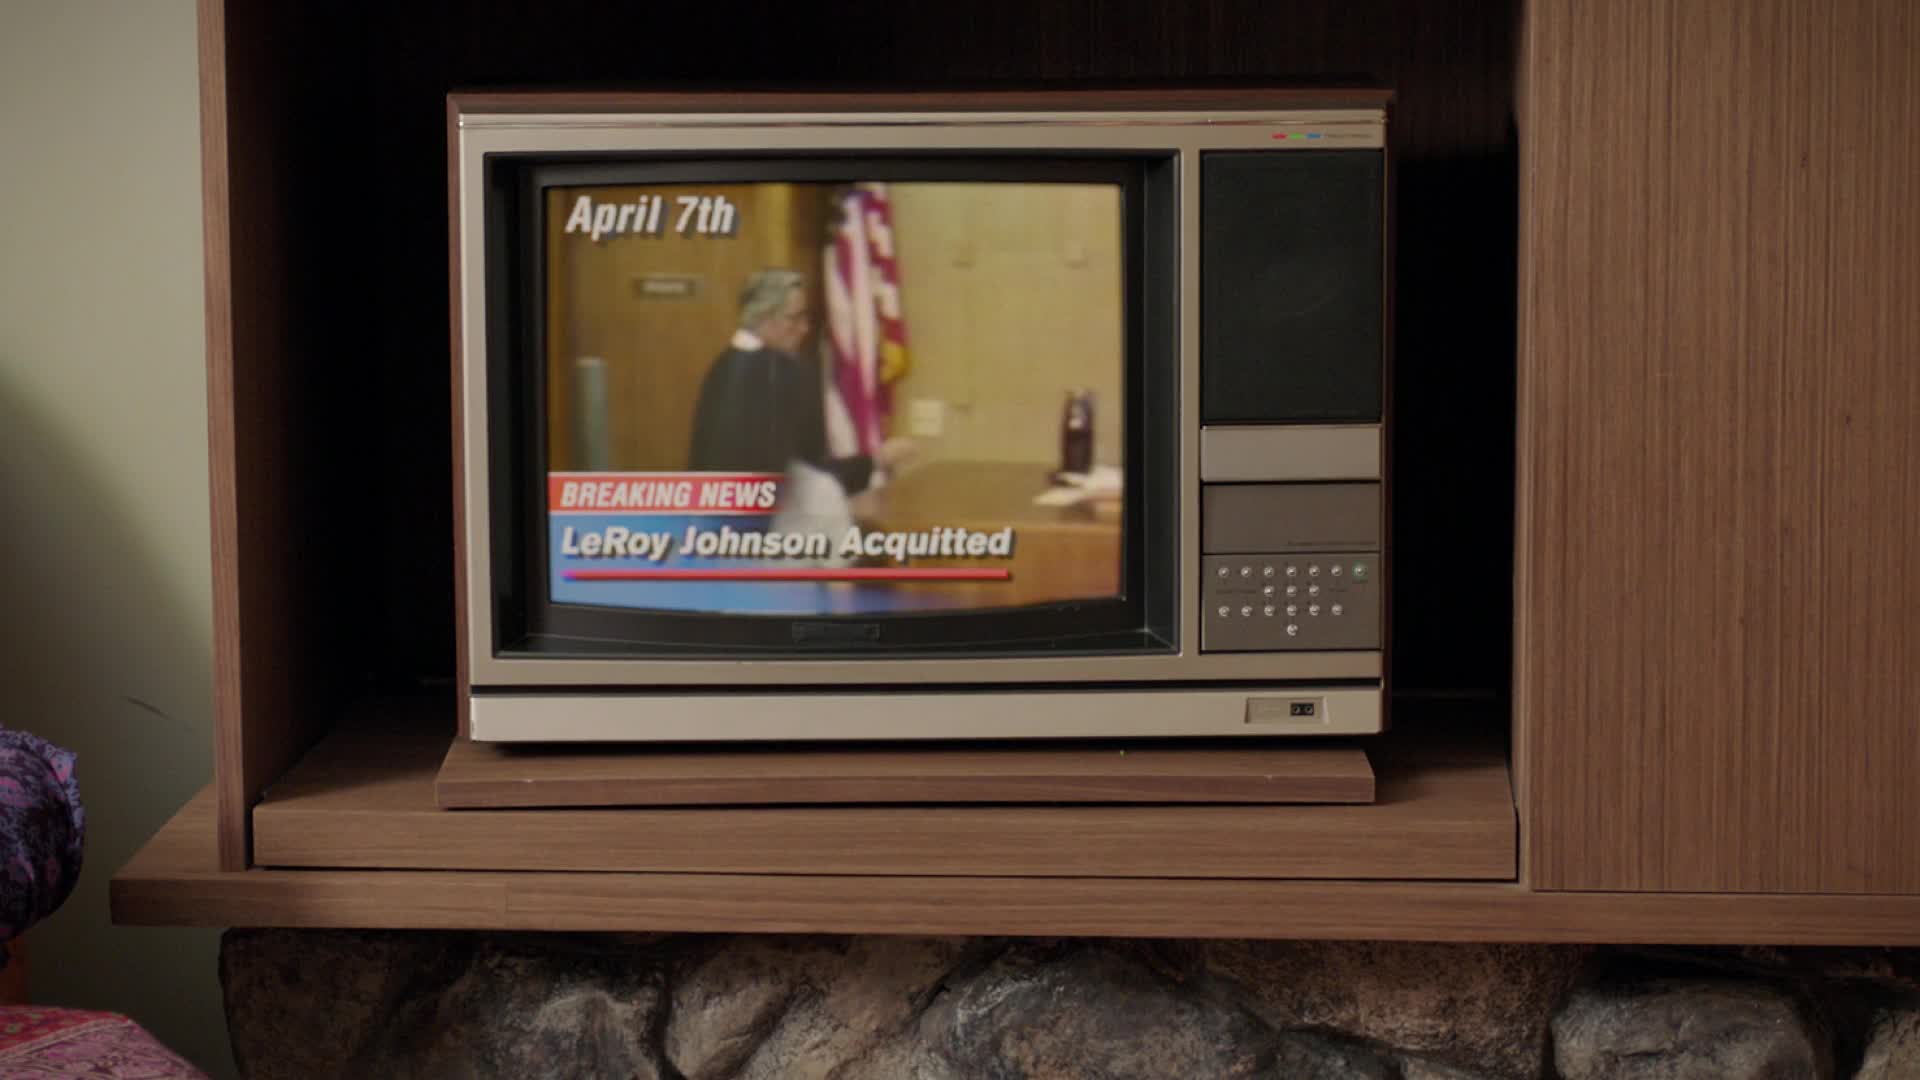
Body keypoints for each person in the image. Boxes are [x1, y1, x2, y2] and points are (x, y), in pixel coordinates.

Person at [687, 268, 910, 494]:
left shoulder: (722, 366)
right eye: (794, 318)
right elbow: (806, 480)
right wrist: (876, 461)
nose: (805, 328)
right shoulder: (780, 373)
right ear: (763, 316)